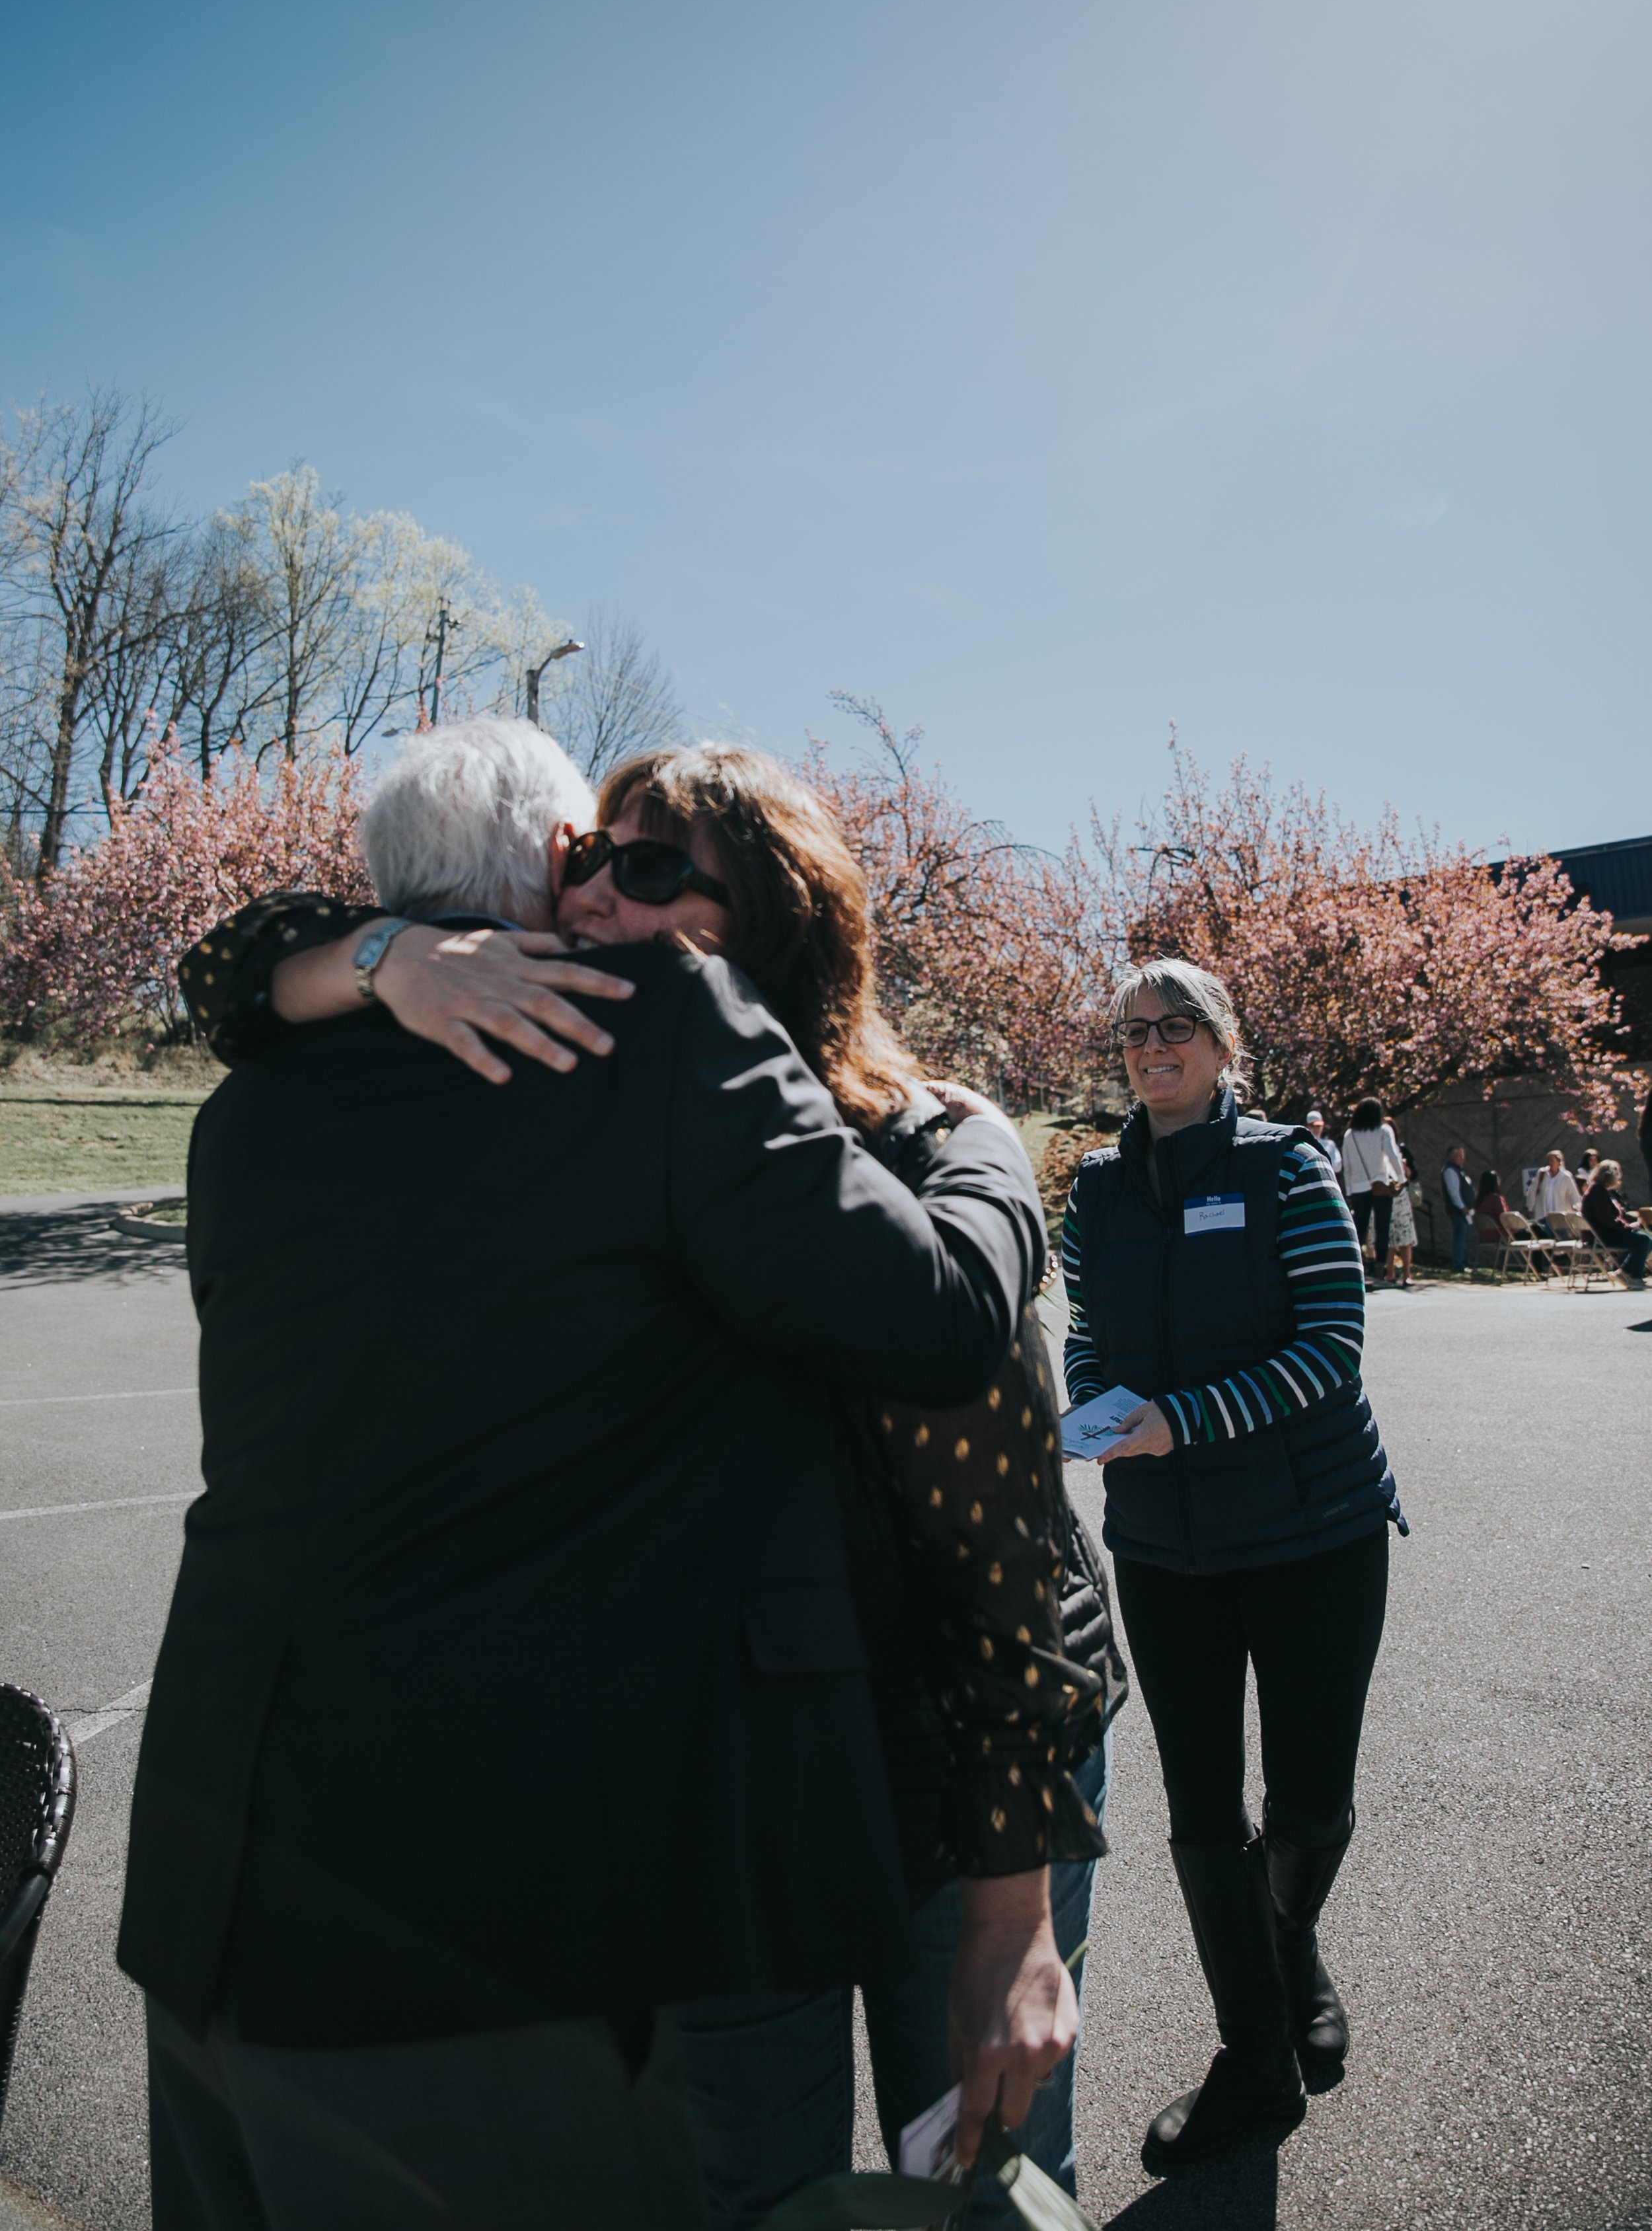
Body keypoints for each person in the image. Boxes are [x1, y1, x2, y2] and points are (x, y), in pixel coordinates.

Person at [170, 732, 1121, 2227]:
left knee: (986, 2189)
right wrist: (393, 952)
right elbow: (228, 969)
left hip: (953, 1783)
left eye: (654, 868)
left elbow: (1011, 1556)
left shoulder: (896, 1146)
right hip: (732, 1810)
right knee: (754, 2192)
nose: (601, 892)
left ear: (773, 925)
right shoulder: (596, 1085)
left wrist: (1013, 1912)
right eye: (588, 858)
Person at [1062, 960, 1404, 2174]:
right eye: (1135, 1031)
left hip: (1317, 1529)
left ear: (1222, 1045)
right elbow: (1089, 1336)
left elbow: (1335, 1348)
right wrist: (1092, 1414)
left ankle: (1290, 1943)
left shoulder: (1285, 1168)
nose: (1154, 1047)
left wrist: (1180, 1422)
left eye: (1178, 1028)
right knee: (1204, 1810)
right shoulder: (1095, 1190)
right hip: (1167, 1545)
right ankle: (1253, 2054)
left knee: (1308, 1804)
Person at [1340, 1100, 1406, 1283]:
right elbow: (1392, 1155)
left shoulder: (1350, 1135)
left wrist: (1350, 1191)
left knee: (1359, 1229)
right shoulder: (1384, 1131)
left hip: (1359, 1188)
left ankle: (1356, 1266)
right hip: (1381, 1185)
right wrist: (1401, 1179)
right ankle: (1379, 1268)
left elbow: (1348, 1166)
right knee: (1381, 1229)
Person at [1582, 1160, 1651, 1287]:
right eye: (1617, 1174)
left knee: (1647, 1237)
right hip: (1603, 1236)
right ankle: (1635, 1277)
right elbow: (1606, 1218)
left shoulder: (1600, 1190)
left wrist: (1628, 1226)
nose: (1619, 1177)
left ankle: (1624, 1272)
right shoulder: (1599, 1191)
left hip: (1605, 1232)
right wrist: (1627, 1227)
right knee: (1644, 1240)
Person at [1384, 1127, 1417, 1289]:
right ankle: (1390, 1273)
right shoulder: (1380, 1151)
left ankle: (1407, 1274)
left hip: (1402, 1195)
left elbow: (1413, 1175)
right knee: (1389, 1237)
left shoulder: (1402, 1150)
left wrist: (1404, 1169)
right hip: (1386, 1194)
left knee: (1405, 1237)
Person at [1441, 1145, 1476, 1273]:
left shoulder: (1459, 1170)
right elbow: (1453, 1192)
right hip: (1458, 1211)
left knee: (1464, 1237)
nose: (1462, 1158)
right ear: (1452, 1156)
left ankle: (1465, 1262)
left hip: (1465, 1211)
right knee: (1460, 1237)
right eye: (1459, 1155)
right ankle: (1459, 1265)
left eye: (1462, 1155)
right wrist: (1462, 1206)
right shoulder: (1450, 1171)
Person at [1528, 1150, 1583, 1227]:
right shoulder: (1542, 1174)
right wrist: (1530, 1207)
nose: (1550, 1163)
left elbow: (1573, 1194)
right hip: (1543, 1214)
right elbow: (1532, 1191)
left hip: (1559, 1215)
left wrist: (1576, 1206)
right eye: (1549, 1161)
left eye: (1552, 1161)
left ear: (1559, 1162)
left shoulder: (1566, 1177)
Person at [1472, 1169, 1509, 1253]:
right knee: (1536, 1231)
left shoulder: (1478, 1201)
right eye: (1498, 1179)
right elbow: (1504, 1217)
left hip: (1485, 1236)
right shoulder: (1496, 1198)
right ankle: (1537, 1266)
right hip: (1501, 1235)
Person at [1303, 1108, 1341, 1180]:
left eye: (1318, 1126)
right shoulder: (1304, 1145)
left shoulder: (1330, 1144)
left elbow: (1338, 1167)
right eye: (1313, 1126)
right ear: (1308, 1126)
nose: (1316, 1129)